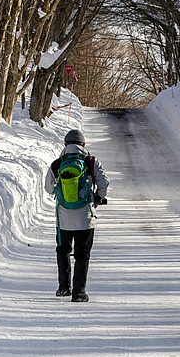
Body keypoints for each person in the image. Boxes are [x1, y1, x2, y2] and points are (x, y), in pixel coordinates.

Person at [45, 128, 109, 302]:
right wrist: (97, 198)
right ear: (84, 145)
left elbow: (48, 188)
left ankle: (63, 288)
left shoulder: (57, 164)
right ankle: (79, 293)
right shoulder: (92, 162)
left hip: (63, 220)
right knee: (82, 256)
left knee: (63, 250)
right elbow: (104, 182)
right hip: (85, 219)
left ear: (65, 145)